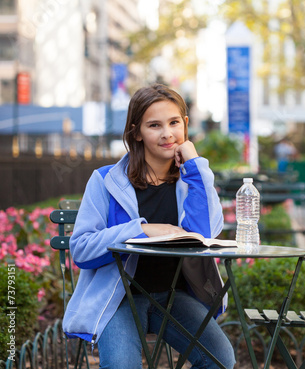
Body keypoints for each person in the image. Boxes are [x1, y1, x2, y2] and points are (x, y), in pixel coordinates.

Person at [63, 84, 236, 369]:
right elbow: (81, 249)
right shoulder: (106, 180)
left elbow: (205, 232)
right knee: (121, 366)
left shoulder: (189, 179)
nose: (167, 134)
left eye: (174, 123)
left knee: (221, 360)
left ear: (185, 125)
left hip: (173, 297)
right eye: (154, 125)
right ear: (136, 132)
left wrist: (195, 165)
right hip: (120, 297)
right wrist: (141, 229)